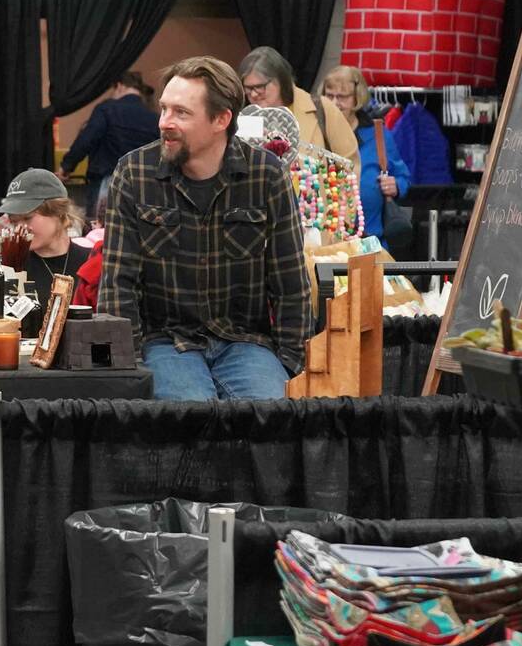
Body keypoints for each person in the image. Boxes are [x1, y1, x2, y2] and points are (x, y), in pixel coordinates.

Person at [98, 55, 310, 400]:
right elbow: (118, 285)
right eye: (164, 109)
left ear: (221, 119)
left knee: (272, 419)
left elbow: (290, 283)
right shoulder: (135, 173)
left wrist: (289, 363)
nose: (165, 122)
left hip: (245, 342)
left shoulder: (266, 175)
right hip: (166, 343)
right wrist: (127, 367)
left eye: (181, 113)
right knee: (187, 418)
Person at [0, 168, 98, 338]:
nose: (20, 228)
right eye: (14, 221)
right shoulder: (11, 267)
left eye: (28, 218)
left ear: (58, 211)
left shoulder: (92, 263)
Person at [321, 65, 411, 243]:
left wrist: (396, 185)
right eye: (329, 96)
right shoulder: (318, 132)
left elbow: (404, 178)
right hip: (326, 245)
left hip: (371, 242)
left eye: (342, 97)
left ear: (357, 99)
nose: (334, 103)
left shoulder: (378, 134)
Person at [59, 71, 159, 214]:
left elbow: (86, 140)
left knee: (100, 230)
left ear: (119, 86)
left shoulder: (107, 109)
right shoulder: (154, 117)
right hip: (144, 186)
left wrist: (66, 166)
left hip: (108, 181)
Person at [239, 46, 359, 162]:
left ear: (280, 80)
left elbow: (349, 163)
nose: (253, 94)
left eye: (260, 87)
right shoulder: (245, 119)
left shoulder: (322, 108)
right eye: (248, 88)